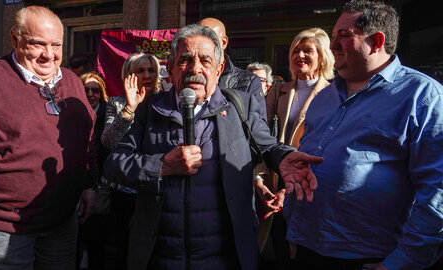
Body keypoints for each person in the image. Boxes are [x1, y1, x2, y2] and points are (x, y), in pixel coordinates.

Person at [103, 23, 323, 270]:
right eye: (185, 60)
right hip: (160, 255)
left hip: (223, 257)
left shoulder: (241, 106)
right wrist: (161, 167)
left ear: (219, 70)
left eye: (205, 61)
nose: (195, 69)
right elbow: (114, 165)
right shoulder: (149, 109)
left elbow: (267, 145)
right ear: (170, 67)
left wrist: (284, 158)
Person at [286, 1, 443, 269]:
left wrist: (401, 263)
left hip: (370, 258)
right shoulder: (324, 97)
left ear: (377, 41)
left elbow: (437, 193)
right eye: (333, 36)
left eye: (344, 37)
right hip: (307, 247)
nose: (333, 45)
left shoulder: (423, 97)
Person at [0, 6, 97, 270]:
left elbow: (87, 138)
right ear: (15, 40)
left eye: (56, 44)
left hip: (62, 226)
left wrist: (89, 185)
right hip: (0, 232)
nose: (49, 54)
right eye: (37, 44)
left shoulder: (72, 81)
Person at [254, 27, 335, 268]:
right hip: (271, 185)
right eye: (295, 50)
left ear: (322, 56)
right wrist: (259, 177)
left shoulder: (333, 94)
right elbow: (259, 136)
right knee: (273, 252)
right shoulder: (278, 91)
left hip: (307, 187)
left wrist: (288, 189)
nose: (300, 55)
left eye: (307, 50)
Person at [100, 52, 160, 269]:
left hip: (155, 187)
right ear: (129, 76)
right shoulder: (117, 104)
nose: (147, 75)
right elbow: (107, 141)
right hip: (124, 191)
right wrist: (130, 109)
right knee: (123, 251)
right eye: (140, 71)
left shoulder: (166, 102)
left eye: (151, 70)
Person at [76, 72, 111, 270]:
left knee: (97, 240)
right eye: (85, 89)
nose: (90, 94)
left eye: (95, 90)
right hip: (75, 184)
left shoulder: (108, 115)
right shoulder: (70, 112)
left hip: (101, 186)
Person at [198, 18, 266, 116]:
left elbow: (258, 127)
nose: (203, 44)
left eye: (209, 37)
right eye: (198, 37)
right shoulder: (190, 77)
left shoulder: (249, 82)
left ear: (224, 42)